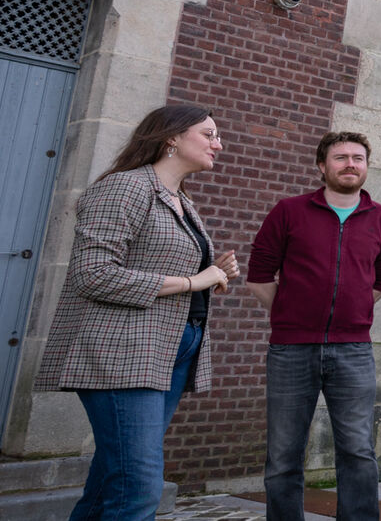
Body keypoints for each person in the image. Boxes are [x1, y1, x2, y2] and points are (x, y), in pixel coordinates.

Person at [37, 104, 239, 521]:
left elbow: (164, 265)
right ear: (171, 137)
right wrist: (193, 282)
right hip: (123, 353)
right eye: (209, 133)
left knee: (115, 478)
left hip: (172, 351)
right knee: (139, 487)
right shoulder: (125, 188)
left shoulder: (181, 200)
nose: (218, 143)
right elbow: (92, 275)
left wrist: (214, 272)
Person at [245, 132, 381, 521]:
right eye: (341, 157)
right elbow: (259, 274)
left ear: (366, 165)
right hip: (291, 350)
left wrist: (352, 310)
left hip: (354, 350)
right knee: (283, 454)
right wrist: (290, 313)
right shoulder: (289, 211)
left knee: (358, 452)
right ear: (321, 166)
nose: (350, 164)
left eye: (358, 158)